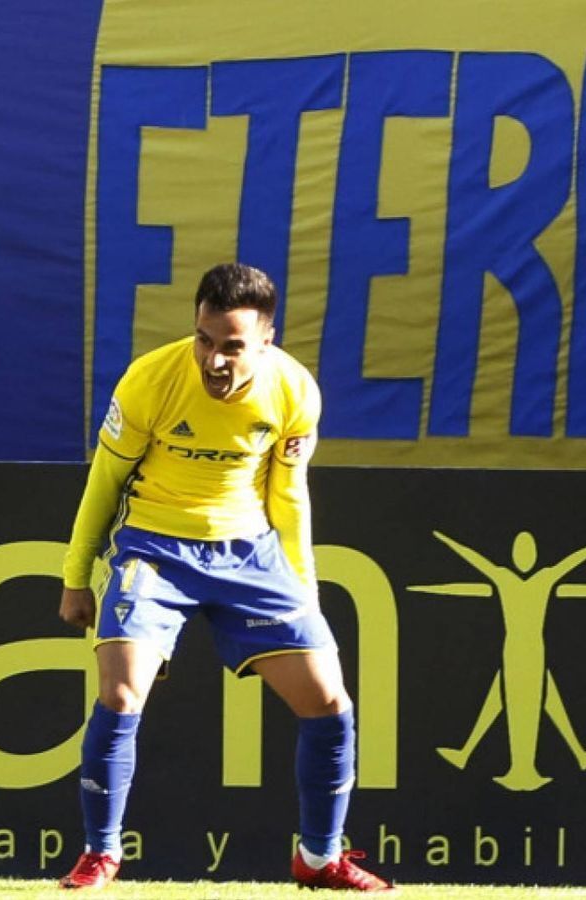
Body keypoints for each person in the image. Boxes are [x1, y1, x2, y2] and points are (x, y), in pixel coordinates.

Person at [57, 263, 391, 892]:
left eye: (232, 347)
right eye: (205, 340)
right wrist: (77, 575)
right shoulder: (150, 380)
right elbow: (104, 482)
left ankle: (319, 859)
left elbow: (289, 496)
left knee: (329, 703)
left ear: (266, 342)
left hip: (251, 555)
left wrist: (303, 586)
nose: (214, 361)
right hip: (154, 550)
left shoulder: (294, 392)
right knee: (122, 692)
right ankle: (101, 854)